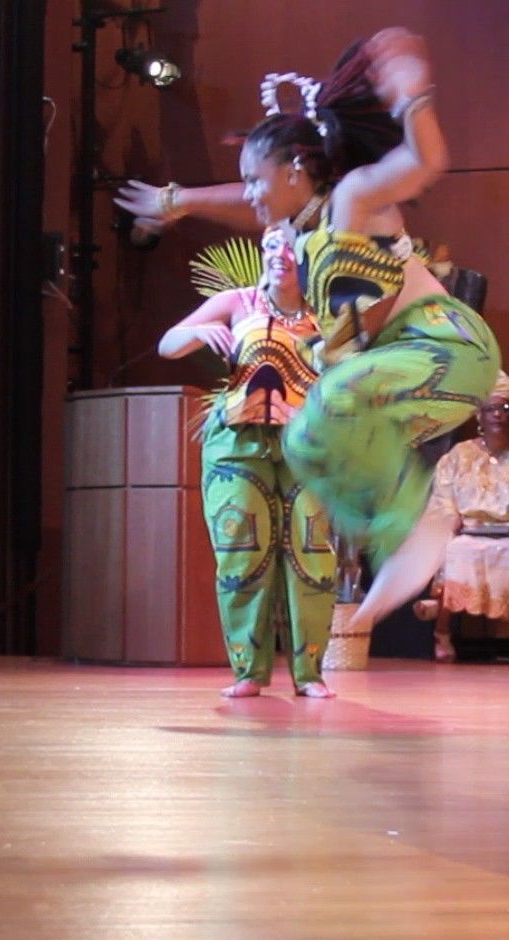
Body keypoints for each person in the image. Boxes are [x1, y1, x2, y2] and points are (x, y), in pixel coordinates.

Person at [244, 30, 501, 628]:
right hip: (401, 374)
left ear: (297, 168)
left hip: (448, 347)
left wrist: (412, 92)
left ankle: (414, 522)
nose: (251, 194)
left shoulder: (357, 196)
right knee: (305, 439)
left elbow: (426, 161)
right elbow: (336, 323)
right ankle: (398, 532)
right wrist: (285, 288)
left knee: (331, 399)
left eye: (257, 178)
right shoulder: (302, 238)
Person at [159, 228, 337, 698]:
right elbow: (168, 344)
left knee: (310, 549)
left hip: (305, 444)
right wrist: (197, 331)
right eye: (273, 246)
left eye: (293, 248)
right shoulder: (238, 302)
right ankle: (247, 671)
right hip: (239, 441)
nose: (281, 256)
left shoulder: (328, 313)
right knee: (242, 548)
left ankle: (310, 673)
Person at [415, 372, 509, 661]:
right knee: (457, 550)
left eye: (504, 408)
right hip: (468, 532)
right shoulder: (459, 454)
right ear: (479, 416)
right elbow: (442, 498)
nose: (497, 414)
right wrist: (452, 516)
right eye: (490, 408)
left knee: (504, 553)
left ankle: (499, 639)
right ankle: (442, 629)